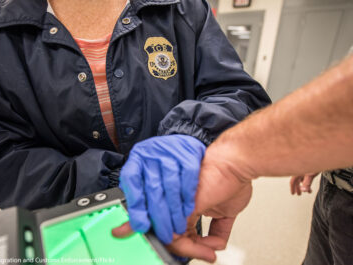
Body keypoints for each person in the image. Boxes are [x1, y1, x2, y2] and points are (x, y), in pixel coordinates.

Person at [0, 0, 270, 219]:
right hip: (66, 222)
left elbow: (238, 95)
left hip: (173, 205)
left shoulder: (183, 7)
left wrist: (190, 138)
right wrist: (113, 182)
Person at [113, 54, 353, 263]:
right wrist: (320, 154)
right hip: (334, 182)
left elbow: (235, 88)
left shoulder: (184, 7)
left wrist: (229, 154)